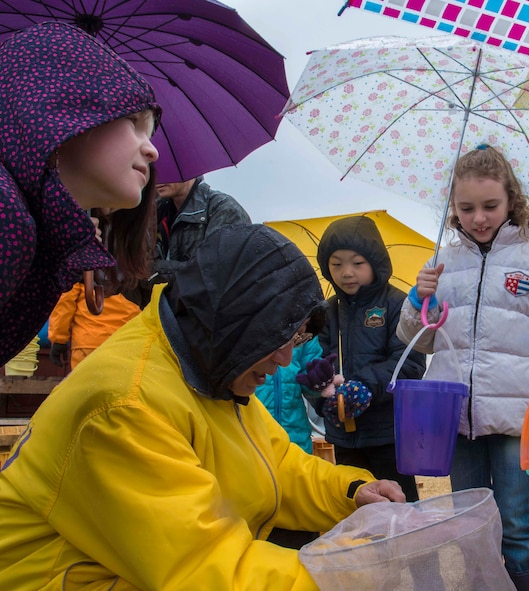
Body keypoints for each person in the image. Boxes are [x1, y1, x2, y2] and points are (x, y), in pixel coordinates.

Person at [0, 224, 405, 590]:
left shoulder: (207, 367)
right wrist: (348, 575)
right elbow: (203, 568)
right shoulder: (126, 407)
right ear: (234, 323)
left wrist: (350, 492)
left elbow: (276, 465)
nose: (285, 358)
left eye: (296, 339)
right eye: (278, 336)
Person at [397, 145, 529, 591]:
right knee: (468, 524)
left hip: (516, 422)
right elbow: (421, 339)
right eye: (466, 208)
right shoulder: (440, 264)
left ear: (512, 200)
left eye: (490, 206)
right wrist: (416, 300)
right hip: (457, 420)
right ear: (453, 208)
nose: (479, 218)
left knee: (515, 523)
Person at [0, 22, 160, 366]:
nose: (152, 151)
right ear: (60, 109)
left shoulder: (25, 220)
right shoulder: (5, 211)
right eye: (133, 122)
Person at [310, 215, 427, 504]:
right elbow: (313, 363)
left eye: (357, 263)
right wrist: (323, 396)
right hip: (342, 435)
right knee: (358, 511)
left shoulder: (397, 304)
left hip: (388, 434)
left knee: (401, 507)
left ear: (375, 263)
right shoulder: (328, 311)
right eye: (336, 264)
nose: (347, 272)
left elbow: (409, 363)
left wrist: (365, 386)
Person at [149, 176, 251, 287]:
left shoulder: (225, 210)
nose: (159, 177)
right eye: (154, 169)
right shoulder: (153, 213)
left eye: (166, 168)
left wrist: (154, 269)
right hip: (168, 303)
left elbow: (214, 275)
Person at [255, 334, 327, 454]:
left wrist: (319, 378)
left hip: (294, 432)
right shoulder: (249, 323)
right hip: (253, 431)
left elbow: (310, 372)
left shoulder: (301, 325)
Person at [47, 281, 141, 370]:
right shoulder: (135, 266)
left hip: (89, 341)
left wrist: (58, 339)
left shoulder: (81, 265)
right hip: (126, 344)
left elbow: (65, 302)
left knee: (84, 386)